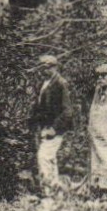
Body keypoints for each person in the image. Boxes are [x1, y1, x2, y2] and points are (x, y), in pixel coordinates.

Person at [28, 54, 73, 195]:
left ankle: (48, 192)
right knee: (50, 159)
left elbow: (68, 111)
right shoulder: (44, 83)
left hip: (54, 129)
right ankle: (56, 192)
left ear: (54, 67)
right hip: (44, 127)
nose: (42, 71)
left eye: (46, 68)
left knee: (44, 157)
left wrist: (54, 128)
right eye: (42, 68)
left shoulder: (61, 83)